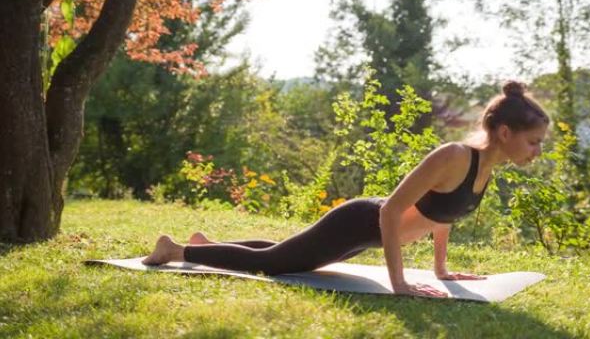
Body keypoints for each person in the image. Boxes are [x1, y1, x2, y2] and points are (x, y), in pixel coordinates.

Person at [142, 80, 550, 298]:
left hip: (368, 236)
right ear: (505, 131)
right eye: (534, 142)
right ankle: (176, 250)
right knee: (276, 263)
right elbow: (390, 211)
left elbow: (441, 214)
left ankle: (205, 242)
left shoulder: (483, 170)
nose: (537, 151)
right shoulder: (454, 155)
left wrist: (441, 269)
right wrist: (399, 282)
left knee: (292, 254)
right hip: (361, 222)